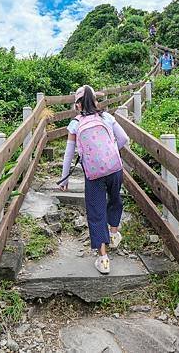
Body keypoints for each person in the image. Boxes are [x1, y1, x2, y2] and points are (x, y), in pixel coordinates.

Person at [58, 85, 130, 274]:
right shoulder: (106, 117)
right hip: (114, 169)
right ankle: (114, 234)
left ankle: (103, 259)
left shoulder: (75, 124)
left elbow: (68, 154)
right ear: (95, 101)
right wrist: (111, 152)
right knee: (115, 200)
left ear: (78, 105)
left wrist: (64, 178)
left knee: (96, 212)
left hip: (93, 175)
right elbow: (124, 138)